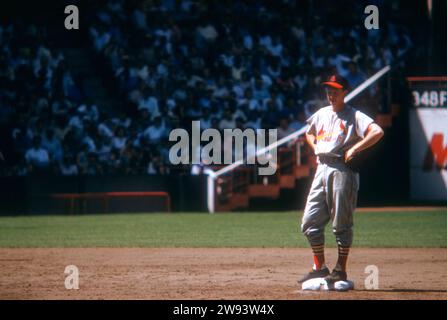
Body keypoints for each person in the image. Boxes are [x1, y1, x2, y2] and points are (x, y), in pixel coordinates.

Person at [298, 74, 384, 284]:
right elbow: (309, 133)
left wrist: (356, 147)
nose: (331, 93)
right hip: (322, 167)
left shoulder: (354, 115)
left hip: (342, 170)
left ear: (345, 92)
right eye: (329, 90)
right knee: (309, 222)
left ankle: (340, 270)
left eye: (336, 90)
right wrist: (315, 145)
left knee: (341, 225)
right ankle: (319, 267)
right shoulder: (321, 113)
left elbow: (377, 131)